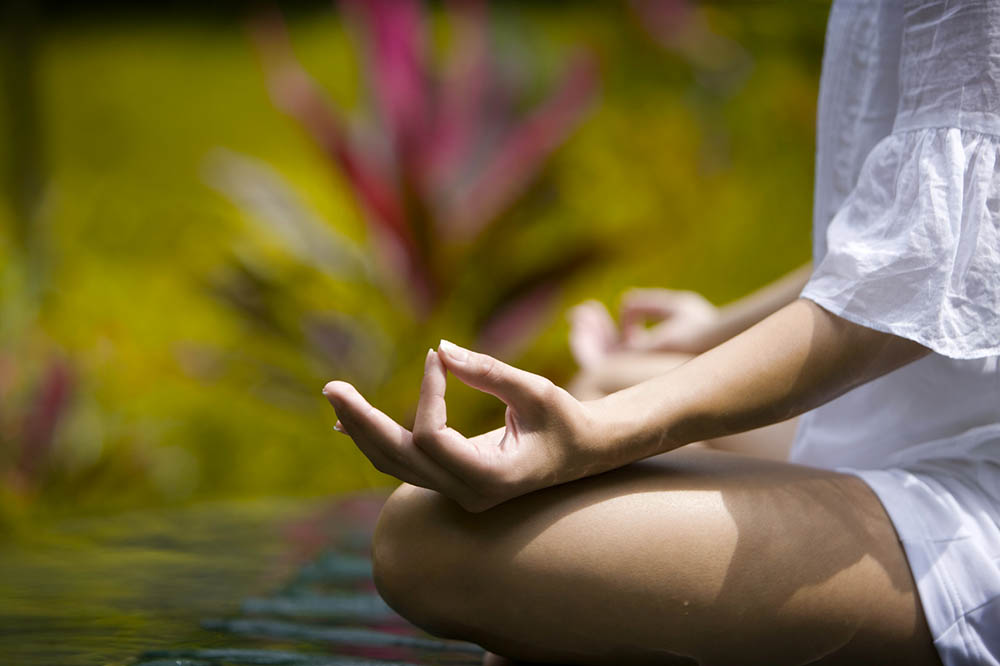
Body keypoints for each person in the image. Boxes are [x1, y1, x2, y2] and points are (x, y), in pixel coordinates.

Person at [322, 2, 1000, 664]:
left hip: (975, 487)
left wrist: (604, 435)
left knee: (427, 538)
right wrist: (712, 335)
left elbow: (941, 261)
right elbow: (924, 228)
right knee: (613, 381)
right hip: (913, 421)